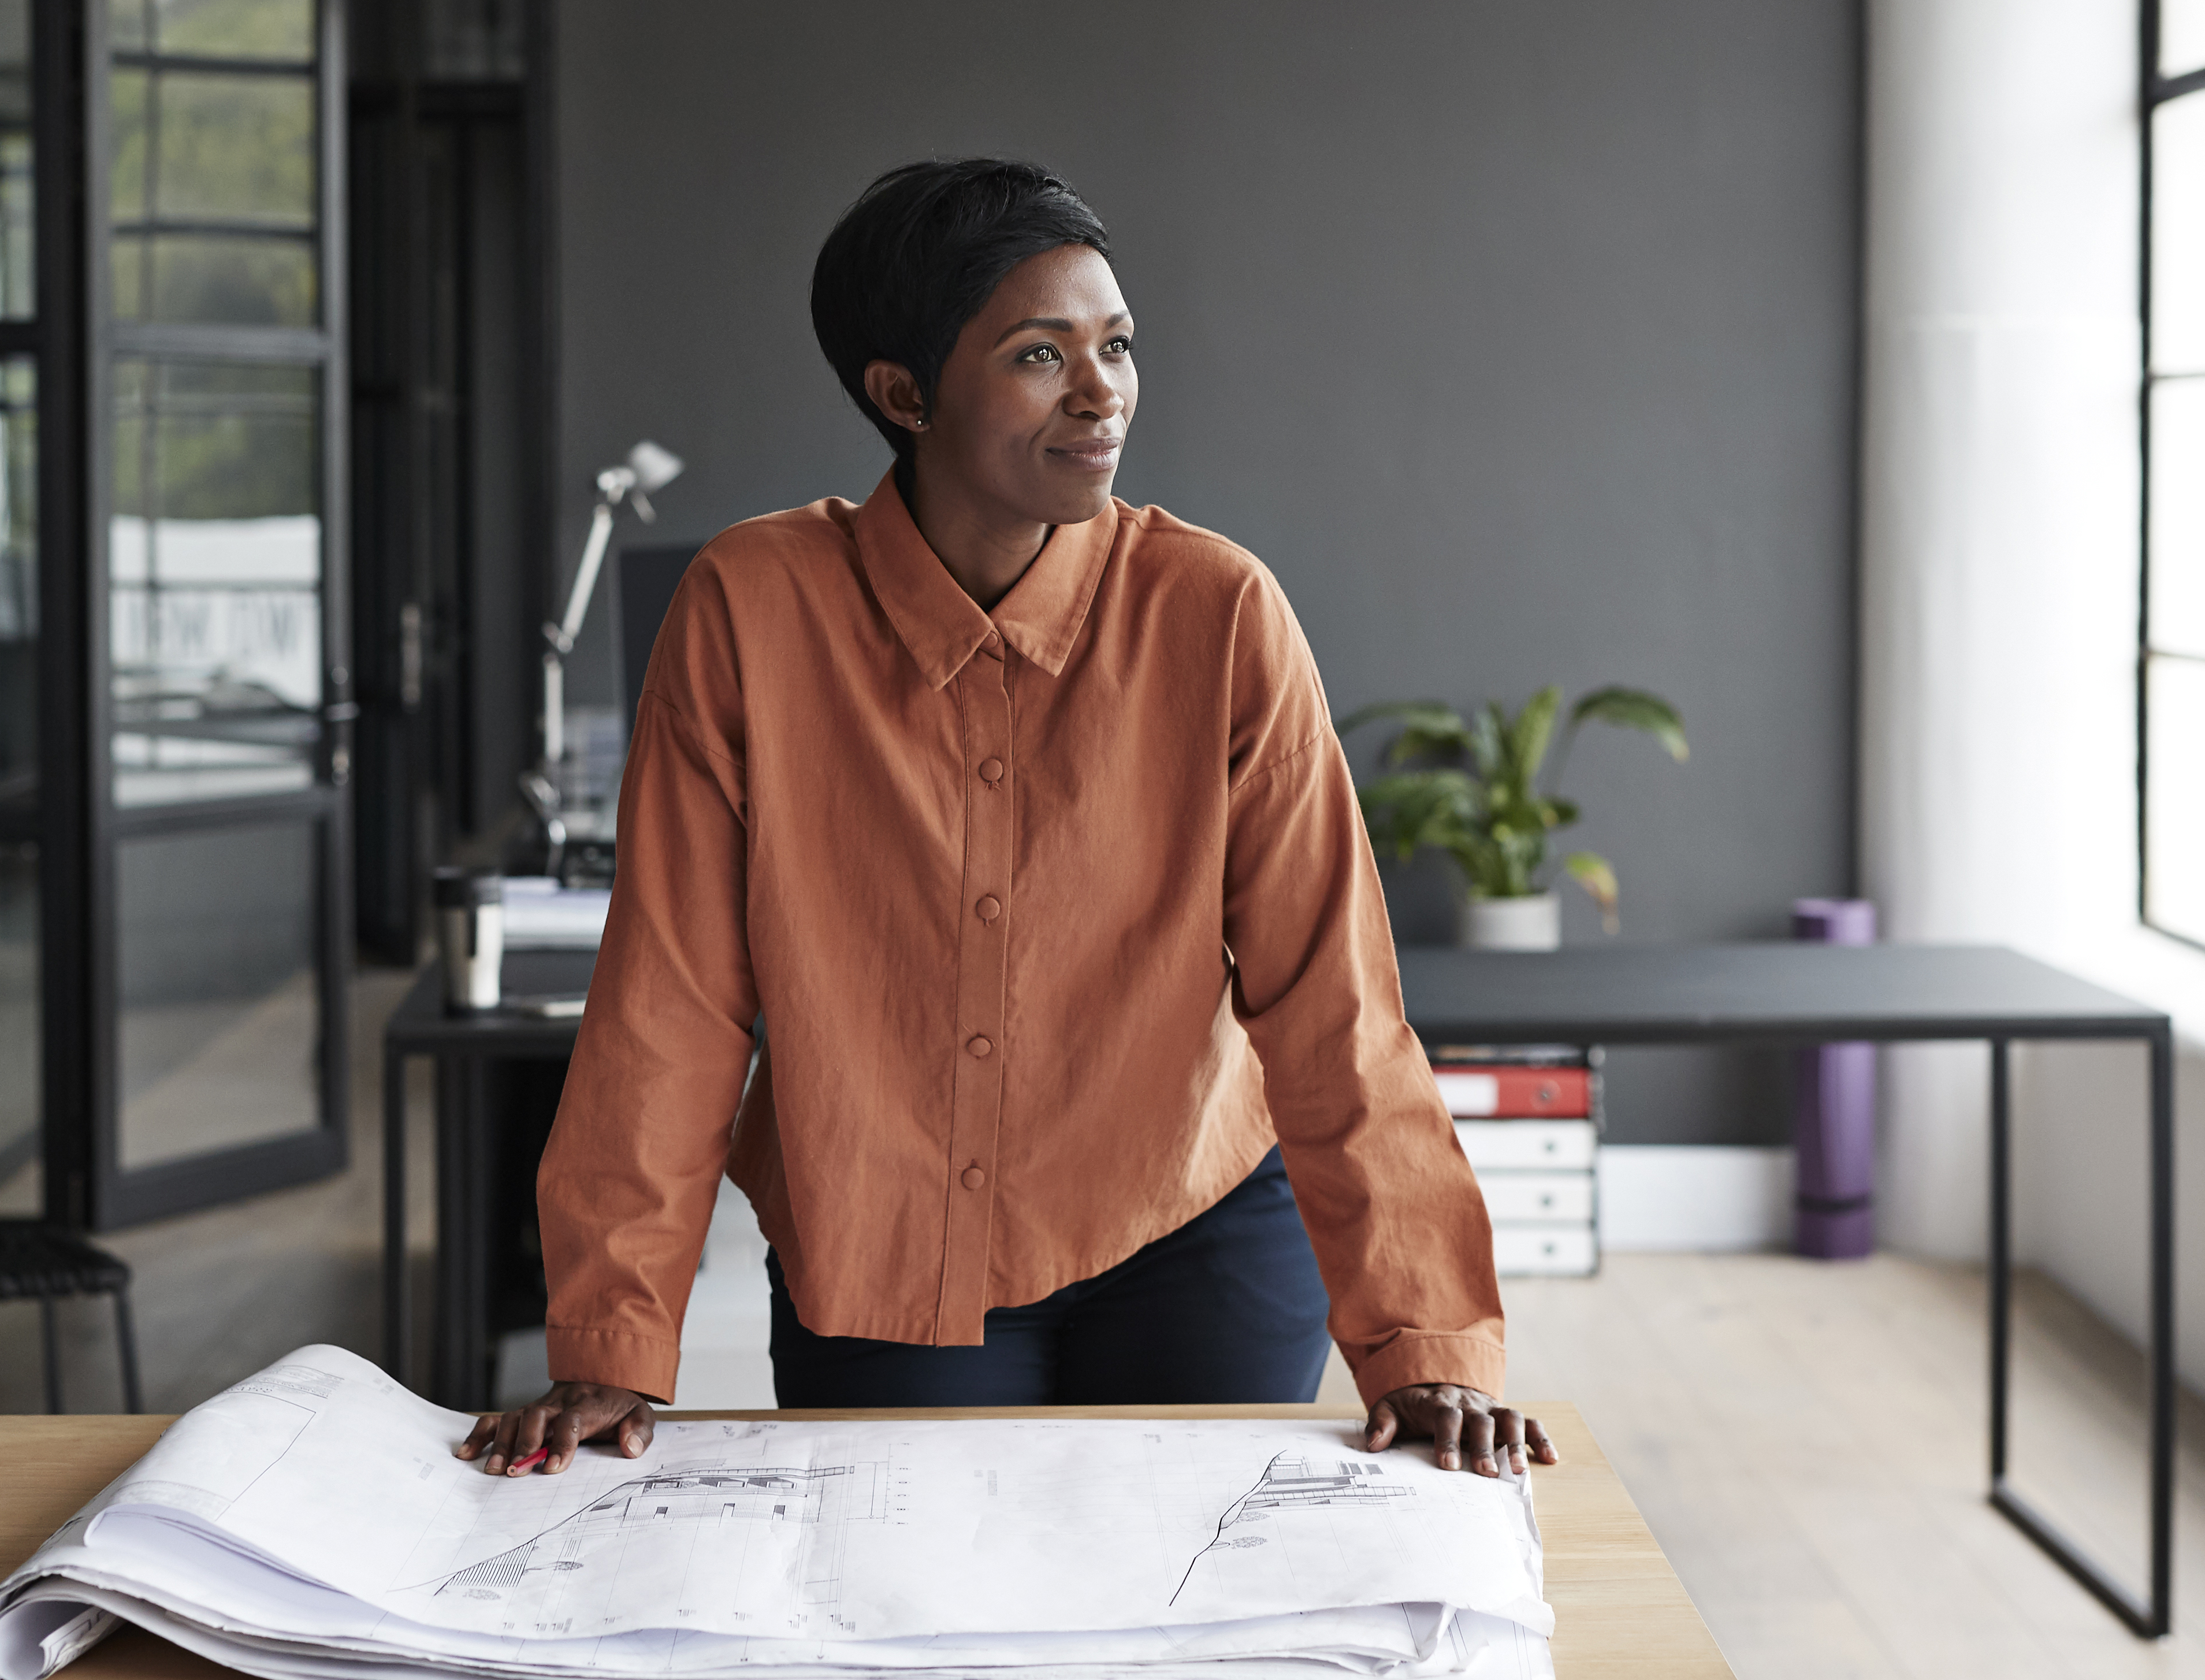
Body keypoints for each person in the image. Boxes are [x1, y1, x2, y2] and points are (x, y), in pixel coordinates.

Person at [458, 159, 1549, 1481]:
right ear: (902, 393)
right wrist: (609, 1344)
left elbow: (1336, 1002)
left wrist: (1426, 1337)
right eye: (1042, 354)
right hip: (880, 1237)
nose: (1103, 394)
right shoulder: (748, 609)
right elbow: (672, 995)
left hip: (1191, 1225)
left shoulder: (1219, 613)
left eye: (1118, 345)